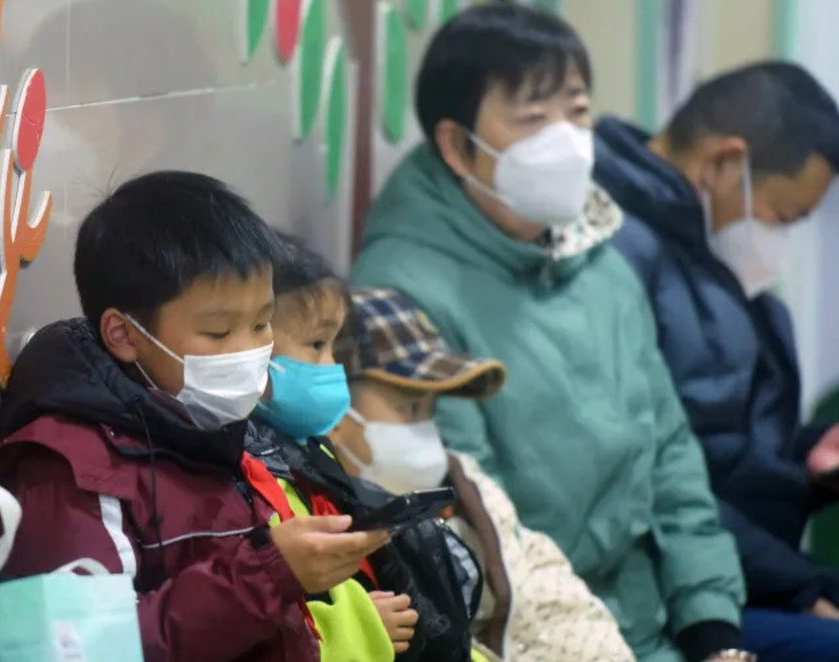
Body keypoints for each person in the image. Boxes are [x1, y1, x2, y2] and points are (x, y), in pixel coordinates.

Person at [351, 5, 749, 662]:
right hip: (539, 635)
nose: (565, 140)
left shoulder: (599, 257)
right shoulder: (401, 290)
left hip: (654, 620)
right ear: (455, 145)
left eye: (578, 111)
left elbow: (673, 456)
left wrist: (713, 629)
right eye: (533, 118)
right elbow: (486, 521)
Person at [0, 171, 389, 662]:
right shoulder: (70, 469)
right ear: (124, 335)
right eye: (218, 333)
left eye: (262, 324)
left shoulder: (206, 426)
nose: (248, 352)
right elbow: (89, 650)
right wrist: (270, 572)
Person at [594, 62, 839, 661]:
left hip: (742, 572)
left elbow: (728, 449)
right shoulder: (617, 256)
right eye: (783, 218)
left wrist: (811, 458)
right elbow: (661, 475)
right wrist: (803, 584)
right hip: (673, 590)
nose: (780, 242)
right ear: (725, 163)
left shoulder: (712, 266)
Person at [328, 285, 637, 662]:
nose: (427, 432)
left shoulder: (466, 487)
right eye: (409, 409)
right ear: (332, 402)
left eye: (431, 411)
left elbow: (549, 594)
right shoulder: (317, 520)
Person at [252, 234, 486, 662]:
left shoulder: (314, 464)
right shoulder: (250, 481)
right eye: (316, 345)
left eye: (335, 348)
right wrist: (356, 628)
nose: (330, 369)